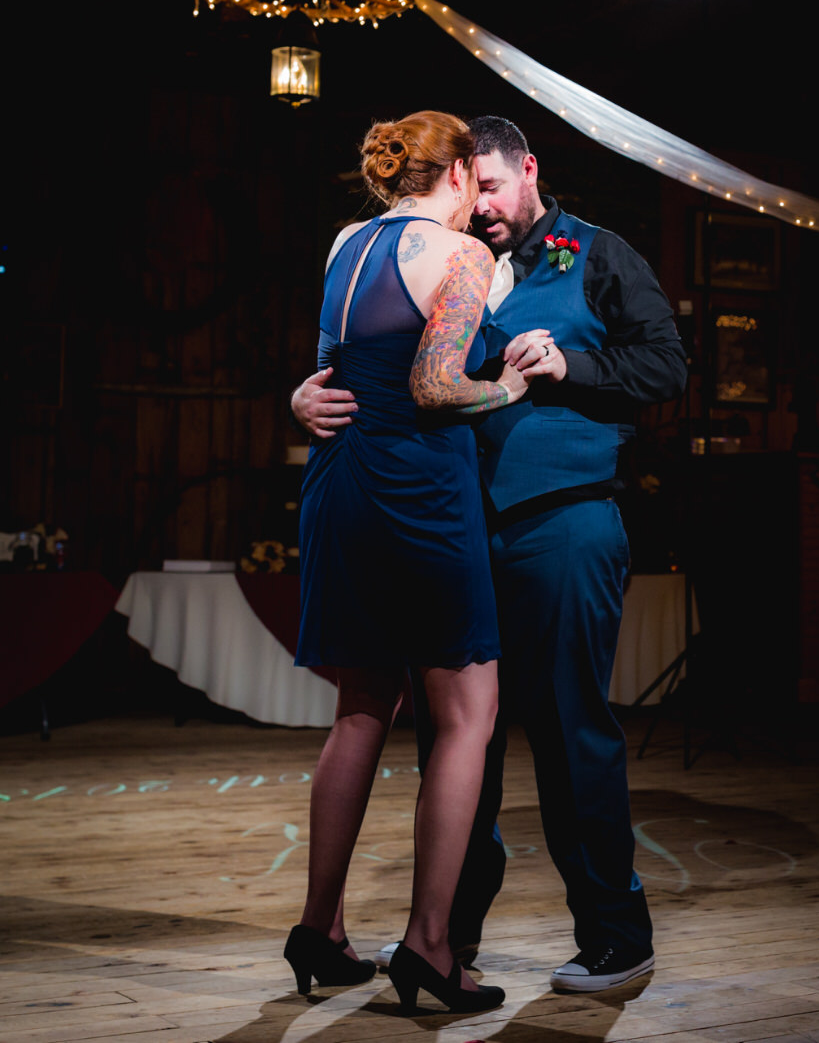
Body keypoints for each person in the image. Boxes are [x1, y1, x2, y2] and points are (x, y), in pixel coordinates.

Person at [294, 114, 685, 994]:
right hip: (455, 523)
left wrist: (569, 367)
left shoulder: (597, 253)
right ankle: (447, 935)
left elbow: (666, 367)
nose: (490, 208)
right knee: (449, 735)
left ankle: (613, 934)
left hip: (561, 523)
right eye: (481, 190)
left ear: (524, 172)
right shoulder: (446, 247)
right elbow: (382, 362)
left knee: (564, 725)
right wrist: (304, 396)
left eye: (500, 189)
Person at [284, 111, 538, 1016]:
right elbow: (436, 385)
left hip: (340, 485)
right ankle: (431, 944)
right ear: (465, 171)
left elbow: (326, 376)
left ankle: (320, 926)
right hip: (419, 493)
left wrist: (295, 400)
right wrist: (511, 379)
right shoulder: (460, 256)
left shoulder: (347, 242)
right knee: (470, 712)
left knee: (360, 705)